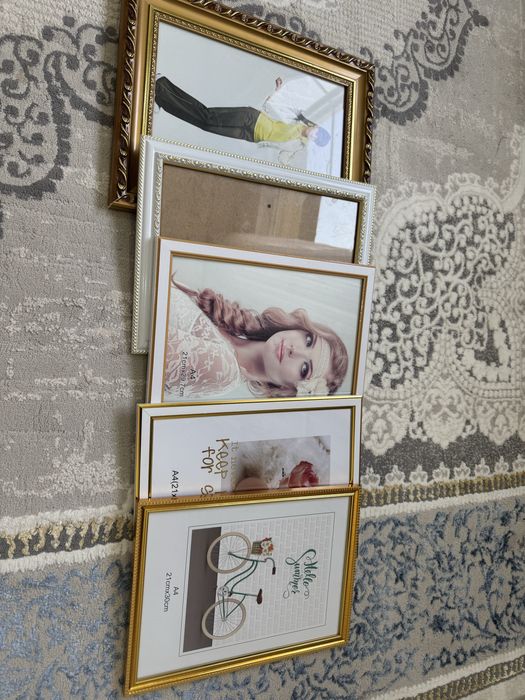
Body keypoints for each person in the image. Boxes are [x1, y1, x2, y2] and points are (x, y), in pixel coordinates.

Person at [164, 277, 348, 401]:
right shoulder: (229, 327)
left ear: (288, 389)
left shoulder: (223, 372)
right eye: (308, 341)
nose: (295, 350)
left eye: (305, 368)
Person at [154, 76, 331, 159]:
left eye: (316, 139)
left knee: (205, 125)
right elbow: (277, 105)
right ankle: (161, 85)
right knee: (208, 116)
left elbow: (281, 158)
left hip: (249, 135)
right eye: (318, 132)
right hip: (252, 118)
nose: (314, 135)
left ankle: (162, 97)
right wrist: (278, 90)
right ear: (316, 125)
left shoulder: (298, 145)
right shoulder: (298, 119)